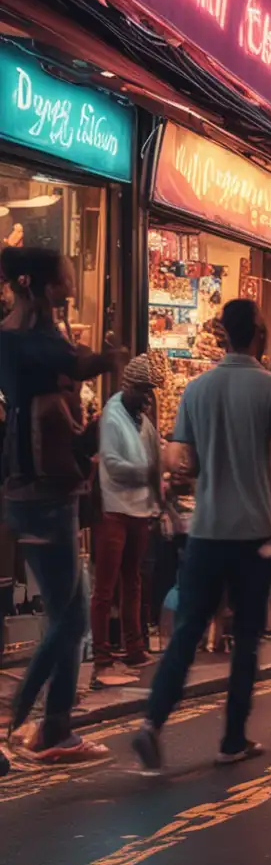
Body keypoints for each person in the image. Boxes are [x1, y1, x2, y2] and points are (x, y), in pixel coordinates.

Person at [131, 299, 271, 770]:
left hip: (205, 530)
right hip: (253, 533)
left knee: (186, 632)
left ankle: (152, 724)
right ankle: (232, 740)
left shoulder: (197, 391)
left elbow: (191, 463)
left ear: (223, 333)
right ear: (259, 334)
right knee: (245, 638)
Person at [0, 246, 124, 763]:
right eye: (64, 277)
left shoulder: (46, 331)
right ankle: (21, 718)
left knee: (71, 614)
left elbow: (71, 373)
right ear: (38, 284)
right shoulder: (16, 337)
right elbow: (68, 365)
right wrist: (105, 361)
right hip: (40, 490)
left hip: (59, 486)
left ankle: (54, 729)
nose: (71, 284)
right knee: (70, 619)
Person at [91, 354, 162, 687]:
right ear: (128, 387)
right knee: (105, 587)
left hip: (138, 511)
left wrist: (159, 502)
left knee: (133, 581)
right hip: (113, 509)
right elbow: (114, 465)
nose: (147, 397)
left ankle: (133, 647)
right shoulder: (112, 415)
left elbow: (154, 465)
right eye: (143, 390)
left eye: (150, 391)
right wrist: (147, 473)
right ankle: (102, 654)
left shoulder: (144, 422)